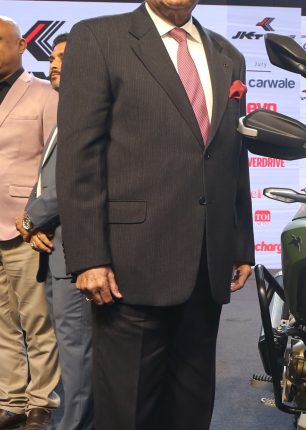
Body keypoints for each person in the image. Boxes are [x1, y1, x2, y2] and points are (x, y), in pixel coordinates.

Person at [56, 0, 254, 428]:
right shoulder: (98, 38)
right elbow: (79, 156)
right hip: (129, 266)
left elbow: (232, 156)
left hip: (206, 264)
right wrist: (89, 257)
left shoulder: (228, 55)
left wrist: (240, 243)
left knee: (192, 408)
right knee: (128, 411)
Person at [16, 32, 95, 430]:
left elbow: (69, 183)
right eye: (52, 58)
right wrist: (34, 224)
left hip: (78, 255)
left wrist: (30, 220)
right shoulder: (70, 112)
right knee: (72, 349)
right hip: (57, 251)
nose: (54, 64)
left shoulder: (88, 114)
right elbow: (46, 180)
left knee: (78, 351)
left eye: (65, 57)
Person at [0, 15, 60, 430]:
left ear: (22, 46)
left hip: (26, 227)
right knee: (2, 323)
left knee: (38, 321)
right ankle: (12, 399)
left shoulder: (44, 94)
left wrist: (43, 219)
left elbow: (54, 165)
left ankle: (42, 401)